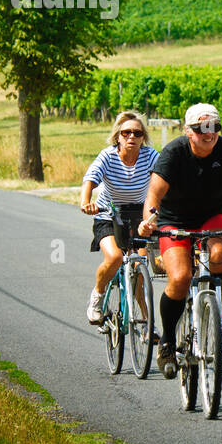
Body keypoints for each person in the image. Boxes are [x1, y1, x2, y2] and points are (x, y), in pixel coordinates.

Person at [138, 103, 222, 379]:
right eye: (200, 128)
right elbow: (153, 197)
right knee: (181, 277)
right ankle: (168, 343)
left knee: (219, 255)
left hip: (211, 217)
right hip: (174, 221)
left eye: (214, 127)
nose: (208, 134)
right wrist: (149, 221)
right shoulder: (174, 152)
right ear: (187, 131)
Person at [80, 111, 159, 328]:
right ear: (118, 137)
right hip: (108, 215)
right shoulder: (108, 156)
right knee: (115, 257)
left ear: (143, 137)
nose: (131, 137)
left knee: (141, 267)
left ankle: (146, 324)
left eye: (137, 133)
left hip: (139, 218)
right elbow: (91, 179)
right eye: (126, 133)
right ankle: (97, 297)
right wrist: (86, 201)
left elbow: (165, 178)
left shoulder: (151, 156)